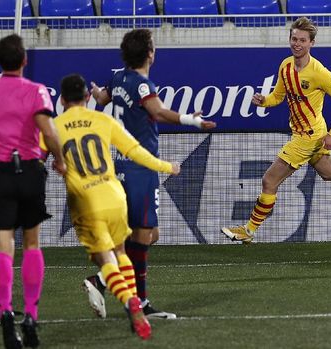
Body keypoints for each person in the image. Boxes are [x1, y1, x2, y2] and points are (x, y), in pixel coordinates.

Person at [221, 17, 331, 244]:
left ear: (312, 43)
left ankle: (249, 231)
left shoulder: (318, 72)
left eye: (302, 40)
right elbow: (279, 96)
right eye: (294, 39)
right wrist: (264, 101)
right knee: (330, 173)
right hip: (305, 133)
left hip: (308, 137)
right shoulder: (285, 66)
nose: (297, 44)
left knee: (269, 181)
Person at [90, 28, 216, 320]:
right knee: (144, 233)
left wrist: (96, 92)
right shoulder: (142, 85)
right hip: (140, 168)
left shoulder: (118, 77)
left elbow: (102, 97)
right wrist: (191, 121)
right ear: (150, 53)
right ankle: (131, 296)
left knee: (148, 234)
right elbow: (158, 112)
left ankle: (108, 282)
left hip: (120, 164)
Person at [55, 73, 181, 340]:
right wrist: (168, 166)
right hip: (113, 196)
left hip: (85, 201)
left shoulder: (54, 127)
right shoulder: (104, 120)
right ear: (88, 98)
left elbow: (34, 156)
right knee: (123, 251)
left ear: (62, 99)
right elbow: (136, 152)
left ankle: (129, 302)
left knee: (107, 257)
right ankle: (132, 298)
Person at [0, 34, 66, 349]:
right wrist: (59, 160)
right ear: (24, 61)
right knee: (32, 245)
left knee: (3, 247)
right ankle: (31, 316)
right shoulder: (35, 91)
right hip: (30, 172)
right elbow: (49, 131)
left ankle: (6, 314)